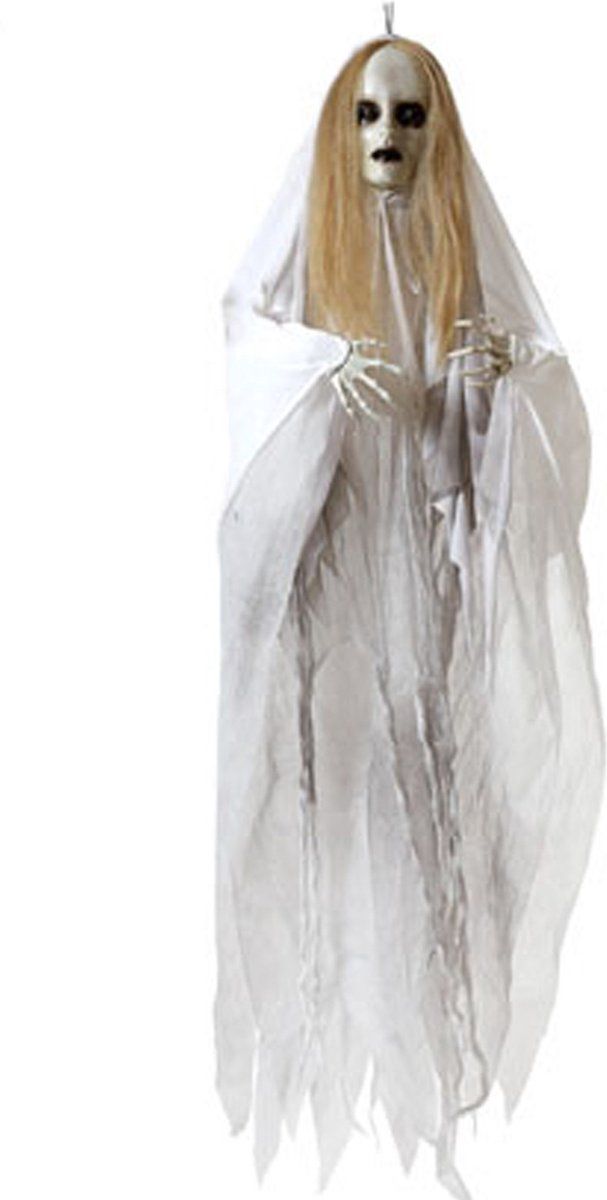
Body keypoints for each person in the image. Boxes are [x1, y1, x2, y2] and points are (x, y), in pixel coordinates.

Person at [215, 33, 605, 1200]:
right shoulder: (306, 248)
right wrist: (312, 371)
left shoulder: (449, 264)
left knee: (429, 795)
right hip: (336, 568)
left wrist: (496, 386)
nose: (387, 136)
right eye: (369, 116)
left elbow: (496, 434)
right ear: (340, 130)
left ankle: (431, 1073)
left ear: (438, 133)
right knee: (331, 798)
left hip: (423, 588)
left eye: (410, 116)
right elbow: (244, 330)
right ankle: (334, 1047)